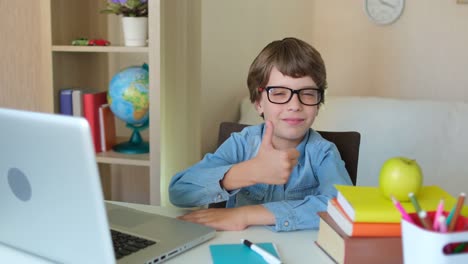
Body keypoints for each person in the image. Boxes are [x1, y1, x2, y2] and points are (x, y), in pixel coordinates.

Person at [168, 37, 352, 232]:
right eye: (279, 93)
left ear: (318, 103)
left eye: (307, 93)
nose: (295, 106)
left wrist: (245, 215)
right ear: (258, 103)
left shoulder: (323, 153)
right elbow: (179, 192)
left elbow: (343, 209)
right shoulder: (241, 144)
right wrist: (249, 172)